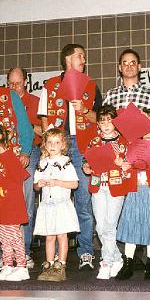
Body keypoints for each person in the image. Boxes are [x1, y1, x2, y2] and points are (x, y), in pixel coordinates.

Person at [37, 44, 103, 270]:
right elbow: (44, 118)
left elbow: (99, 120)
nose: (84, 59)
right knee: (52, 199)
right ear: (67, 58)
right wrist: (47, 148)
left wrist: (84, 110)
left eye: (84, 56)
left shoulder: (91, 85)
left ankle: (86, 251)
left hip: (83, 146)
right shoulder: (50, 85)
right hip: (57, 147)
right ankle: (53, 255)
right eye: (79, 56)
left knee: (84, 202)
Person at [115, 108, 150, 281]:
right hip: (135, 190)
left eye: (149, 127)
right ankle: (128, 264)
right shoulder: (132, 146)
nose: (146, 131)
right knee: (132, 226)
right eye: (142, 127)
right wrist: (124, 167)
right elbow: (126, 168)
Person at [82, 105, 129, 280]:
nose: (106, 124)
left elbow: (129, 168)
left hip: (116, 187)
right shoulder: (94, 141)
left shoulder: (123, 143)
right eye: (102, 121)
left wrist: (122, 164)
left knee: (110, 226)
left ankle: (106, 262)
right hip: (97, 186)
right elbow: (86, 162)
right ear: (98, 125)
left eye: (110, 120)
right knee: (100, 226)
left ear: (115, 122)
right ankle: (117, 258)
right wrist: (86, 167)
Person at [0, 125, 31, 282]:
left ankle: (22, 267)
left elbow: (18, 178)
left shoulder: (9, 157)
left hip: (12, 204)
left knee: (14, 236)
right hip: (3, 204)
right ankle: (9, 264)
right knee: (4, 237)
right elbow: (1, 174)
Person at [33, 129, 80, 282]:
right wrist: (39, 184)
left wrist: (58, 182)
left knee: (62, 235)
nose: (53, 145)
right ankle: (50, 264)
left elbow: (74, 184)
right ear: (45, 145)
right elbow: (35, 187)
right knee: (49, 236)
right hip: (47, 205)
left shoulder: (66, 163)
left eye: (57, 142)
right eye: (50, 142)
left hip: (61, 205)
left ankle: (61, 264)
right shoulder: (41, 163)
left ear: (63, 145)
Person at [7, 67, 42, 268]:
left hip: (30, 152)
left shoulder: (35, 102)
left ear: (26, 83)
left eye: (18, 83)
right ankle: (8, 251)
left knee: (27, 203)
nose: (14, 87)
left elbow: (44, 131)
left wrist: (24, 125)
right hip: (8, 154)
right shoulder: (4, 102)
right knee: (7, 203)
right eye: (10, 83)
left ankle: (25, 251)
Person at [103, 48, 150, 116]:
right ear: (120, 68)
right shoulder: (110, 96)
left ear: (139, 67)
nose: (129, 66)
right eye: (125, 63)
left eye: (133, 63)